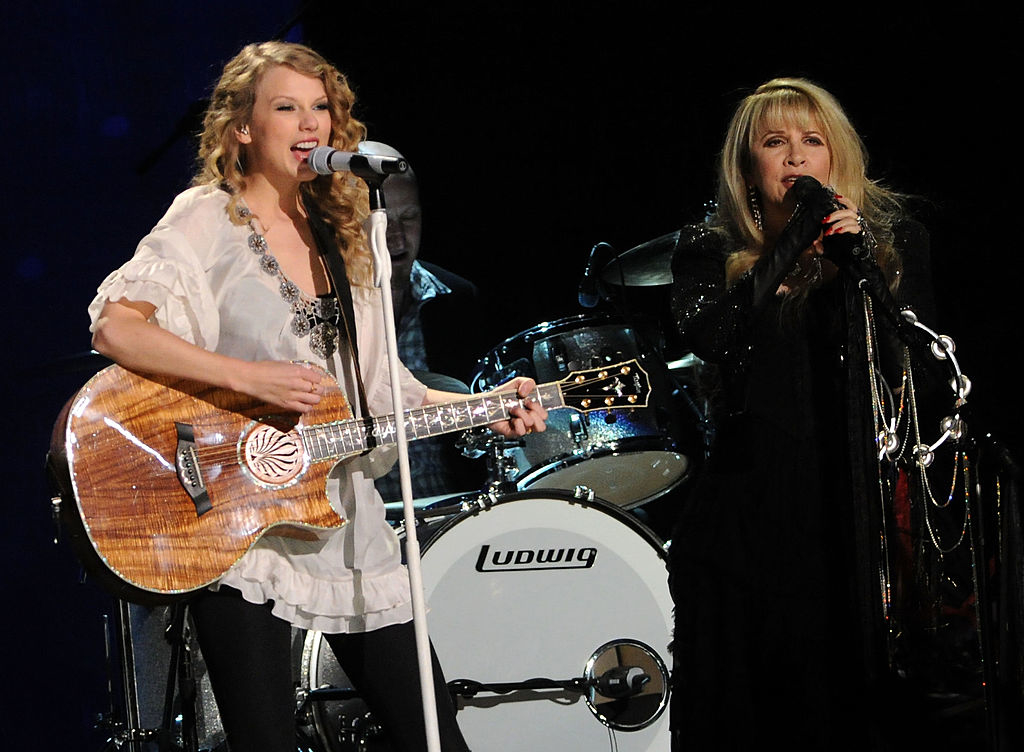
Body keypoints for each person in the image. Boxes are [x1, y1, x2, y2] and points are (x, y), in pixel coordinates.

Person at [88, 40, 547, 752]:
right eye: (286, 107)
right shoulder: (205, 218)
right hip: (241, 522)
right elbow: (116, 328)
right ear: (242, 127)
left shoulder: (350, 231)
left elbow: (381, 389)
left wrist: (486, 409)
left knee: (436, 737)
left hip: (347, 524)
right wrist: (246, 377)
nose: (310, 124)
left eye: (322, 108)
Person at [666, 78, 937, 750]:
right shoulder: (707, 249)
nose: (795, 157)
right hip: (748, 522)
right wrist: (789, 253)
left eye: (812, 141)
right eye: (775, 142)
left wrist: (859, 261)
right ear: (748, 168)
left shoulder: (890, 243)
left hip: (854, 514)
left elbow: (917, 375)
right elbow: (720, 340)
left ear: (836, 157)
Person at [361, 142, 490, 503]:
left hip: (452, 511)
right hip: (361, 523)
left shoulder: (458, 299)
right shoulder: (326, 308)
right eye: (384, 221)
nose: (398, 237)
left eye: (410, 218)